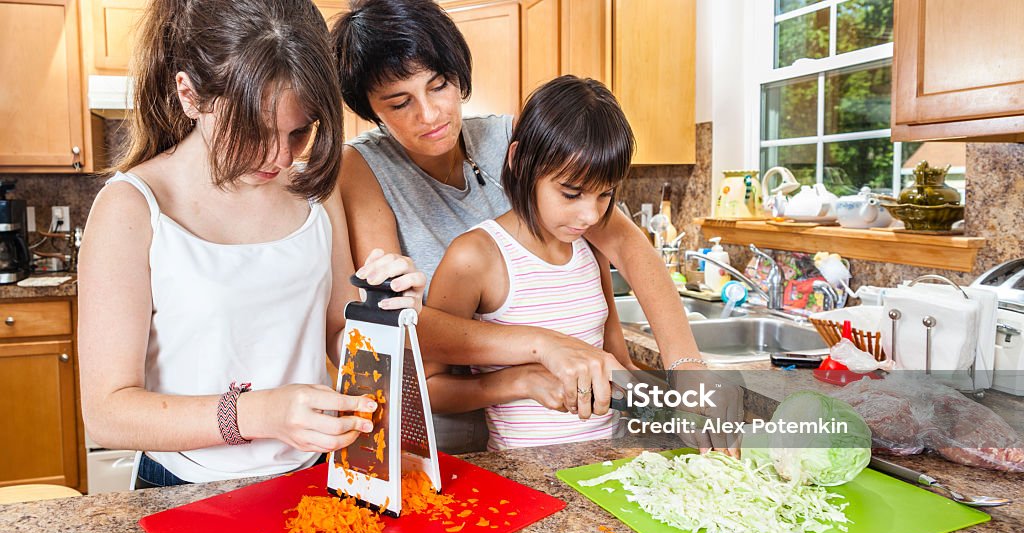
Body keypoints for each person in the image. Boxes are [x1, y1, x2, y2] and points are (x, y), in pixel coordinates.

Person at [331, 0, 725, 454]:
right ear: (371, 110)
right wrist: (540, 349)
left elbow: (629, 249)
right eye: (400, 103)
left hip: (548, 419)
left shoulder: (511, 140)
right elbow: (400, 321)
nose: (430, 114)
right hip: (444, 425)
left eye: (439, 86)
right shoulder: (361, 168)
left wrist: (688, 366)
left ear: (460, 75)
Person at [77, 0, 425, 487]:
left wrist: (380, 317)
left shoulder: (314, 194)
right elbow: (108, 412)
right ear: (190, 95)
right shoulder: (133, 208)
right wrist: (260, 414)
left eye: (300, 131)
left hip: (312, 474)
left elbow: (335, 328)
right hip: (186, 488)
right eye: (252, 131)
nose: (279, 158)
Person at [425, 76, 639, 450]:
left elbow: (619, 364)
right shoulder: (475, 257)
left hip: (608, 459)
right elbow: (428, 390)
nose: (590, 215)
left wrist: (690, 404)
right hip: (525, 473)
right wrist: (520, 381)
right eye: (571, 193)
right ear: (520, 162)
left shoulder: (592, 246)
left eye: (605, 194)